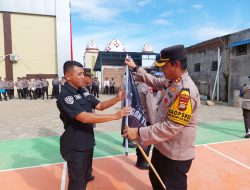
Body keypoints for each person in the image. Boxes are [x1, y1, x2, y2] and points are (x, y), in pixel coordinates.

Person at [123, 45, 200, 190]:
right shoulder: (172, 80)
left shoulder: (185, 91)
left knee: (170, 186)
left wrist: (139, 132)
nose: (161, 70)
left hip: (174, 154)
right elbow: (154, 81)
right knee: (155, 179)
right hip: (162, 146)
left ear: (176, 65)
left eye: (164, 66)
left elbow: (172, 127)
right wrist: (135, 68)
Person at [56, 60, 131, 190]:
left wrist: (117, 98)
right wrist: (115, 116)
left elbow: (100, 105)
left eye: (83, 74)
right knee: (77, 182)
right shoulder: (65, 96)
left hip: (87, 141)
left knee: (85, 176)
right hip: (75, 145)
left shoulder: (82, 91)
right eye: (79, 74)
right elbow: (84, 118)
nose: (83, 77)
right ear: (68, 76)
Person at [134, 81, 155, 170]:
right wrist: (153, 122)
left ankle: (139, 160)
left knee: (140, 139)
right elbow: (150, 106)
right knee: (146, 141)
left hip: (138, 117)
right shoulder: (146, 87)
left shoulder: (136, 86)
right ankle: (142, 161)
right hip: (146, 118)